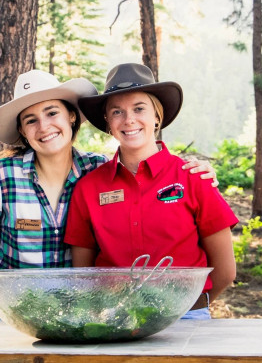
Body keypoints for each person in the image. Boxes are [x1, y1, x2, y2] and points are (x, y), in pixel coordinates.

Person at [0, 69, 218, 319]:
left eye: (51, 113)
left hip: (72, 319)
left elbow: (140, 177)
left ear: (71, 116)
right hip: (7, 317)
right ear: (23, 132)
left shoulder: (95, 170)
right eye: (31, 120)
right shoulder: (0, 176)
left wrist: (196, 173)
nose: (44, 126)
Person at [64, 63, 238, 319]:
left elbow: (225, 271)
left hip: (185, 318)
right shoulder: (89, 188)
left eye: (139, 108)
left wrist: (191, 308)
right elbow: (84, 273)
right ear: (108, 123)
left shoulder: (192, 178)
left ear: (157, 116)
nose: (129, 119)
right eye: (117, 112)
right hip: (114, 318)